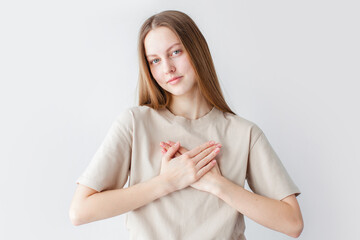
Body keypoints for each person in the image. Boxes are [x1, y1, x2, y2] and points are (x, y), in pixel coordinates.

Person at [69, 10, 303, 239]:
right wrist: (166, 182)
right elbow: (80, 211)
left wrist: (217, 185)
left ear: (197, 50)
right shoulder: (134, 124)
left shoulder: (244, 133)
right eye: (155, 60)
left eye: (176, 52)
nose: (167, 68)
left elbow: (292, 223)